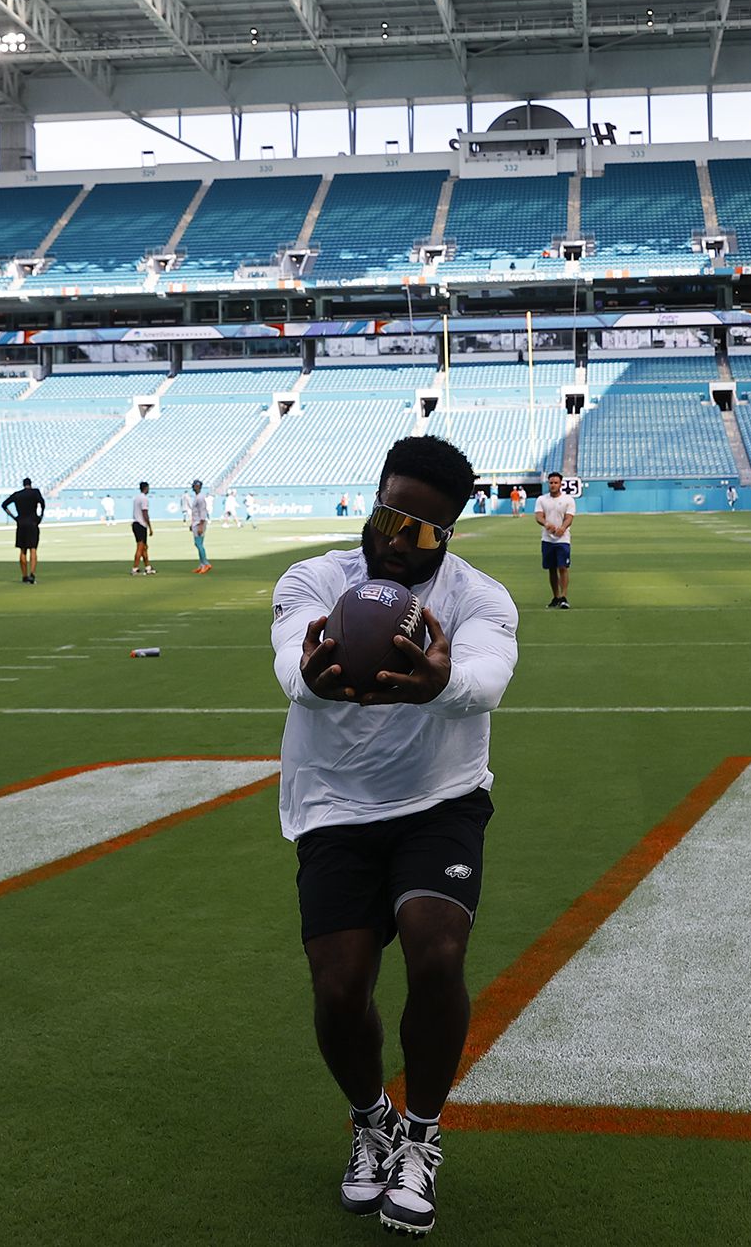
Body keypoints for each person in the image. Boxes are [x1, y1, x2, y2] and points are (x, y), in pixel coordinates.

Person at [273, 435, 517, 1236]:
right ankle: (369, 1121)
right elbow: (288, 656)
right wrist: (304, 678)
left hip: (437, 799)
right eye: (387, 515)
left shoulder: (480, 598)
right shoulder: (315, 579)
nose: (393, 538)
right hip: (335, 804)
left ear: (448, 534)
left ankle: (421, 1135)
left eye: (419, 530)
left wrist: (443, 682)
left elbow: (487, 678)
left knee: (436, 949)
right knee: (340, 989)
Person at [535, 469, 575, 609]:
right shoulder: (542, 499)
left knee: (563, 567)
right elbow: (539, 516)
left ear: (560, 484)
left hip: (563, 539)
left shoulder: (567, 500)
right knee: (551, 568)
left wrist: (562, 528)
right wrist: (546, 524)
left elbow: (569, 517)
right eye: (551, 482)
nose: (553, 485)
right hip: (547, 539)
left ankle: (564, 596)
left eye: (555, 482)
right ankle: (556, 597)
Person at [2, 477, 45, 584]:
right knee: (33, 549)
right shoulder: (35, 492)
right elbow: (42, 504)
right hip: (32, 522)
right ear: (30, 484)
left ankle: (24, 575)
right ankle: (32, 574)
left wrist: (14, 517)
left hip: (21, 523)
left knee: (22, 550)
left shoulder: (17, 494)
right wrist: (40, 516)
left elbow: (4, 505)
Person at [130, 480, 155, 575]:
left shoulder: (137, 498)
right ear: (146, 488)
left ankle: (147, 567)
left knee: (144, 547)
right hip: (141, 524)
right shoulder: (144, 499)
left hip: (136, 523)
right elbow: (145, 513)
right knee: (140, 547)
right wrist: (150, 526)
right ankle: (135, 568)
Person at [189, 478, 213, 574]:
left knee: (199, 544)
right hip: (196, 522)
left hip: (199, 523)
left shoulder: (200, 498)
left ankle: (205, 563)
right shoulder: (198, 497)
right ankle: (202, 564)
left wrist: (200, 525)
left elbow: (202, 512)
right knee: (198, 544)